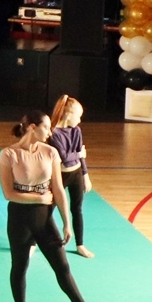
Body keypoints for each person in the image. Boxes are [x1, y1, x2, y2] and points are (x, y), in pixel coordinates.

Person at [0, 110, 105, 302]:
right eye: (46, 127)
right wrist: (39, 198)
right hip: (19, 218)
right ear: (32, 127)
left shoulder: (50, 152)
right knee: (20, 266)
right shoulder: (9, 154)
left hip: (44, 219)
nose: (50, 132)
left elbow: (58, 189)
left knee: (62, 266)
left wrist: (66, 222)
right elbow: (9, 194)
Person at [49, 95, 94, 258]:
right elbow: (64, 157)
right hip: (59, 175)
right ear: (68, 115)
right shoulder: (54, 133)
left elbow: (80, 155)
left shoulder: (76, 130)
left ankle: (80, 244)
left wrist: (85, 175)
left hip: (76, 174)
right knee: (48, 209)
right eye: (78, 116)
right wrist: (79, 154)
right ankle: (33, 242)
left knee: (77, 209)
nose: (80, 120)